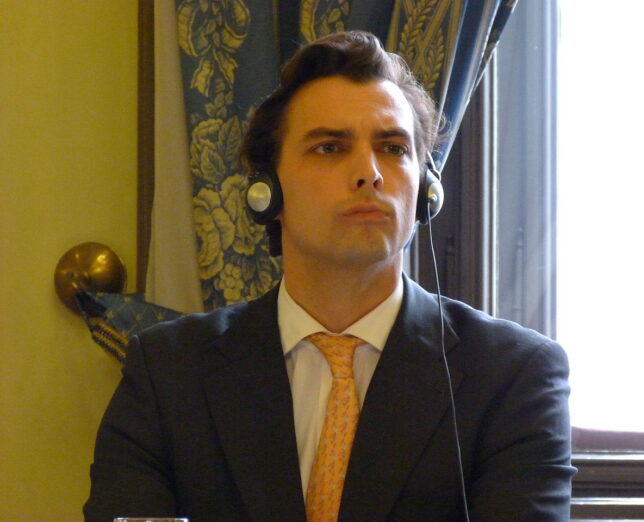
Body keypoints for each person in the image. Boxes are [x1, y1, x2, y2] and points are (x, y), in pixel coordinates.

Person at [84, 31, 575, 521]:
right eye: (330, 148)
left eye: (393, 148)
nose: (369, 173)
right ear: (267, 192)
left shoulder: (513, 374)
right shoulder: (168, 371)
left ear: (426, 190)